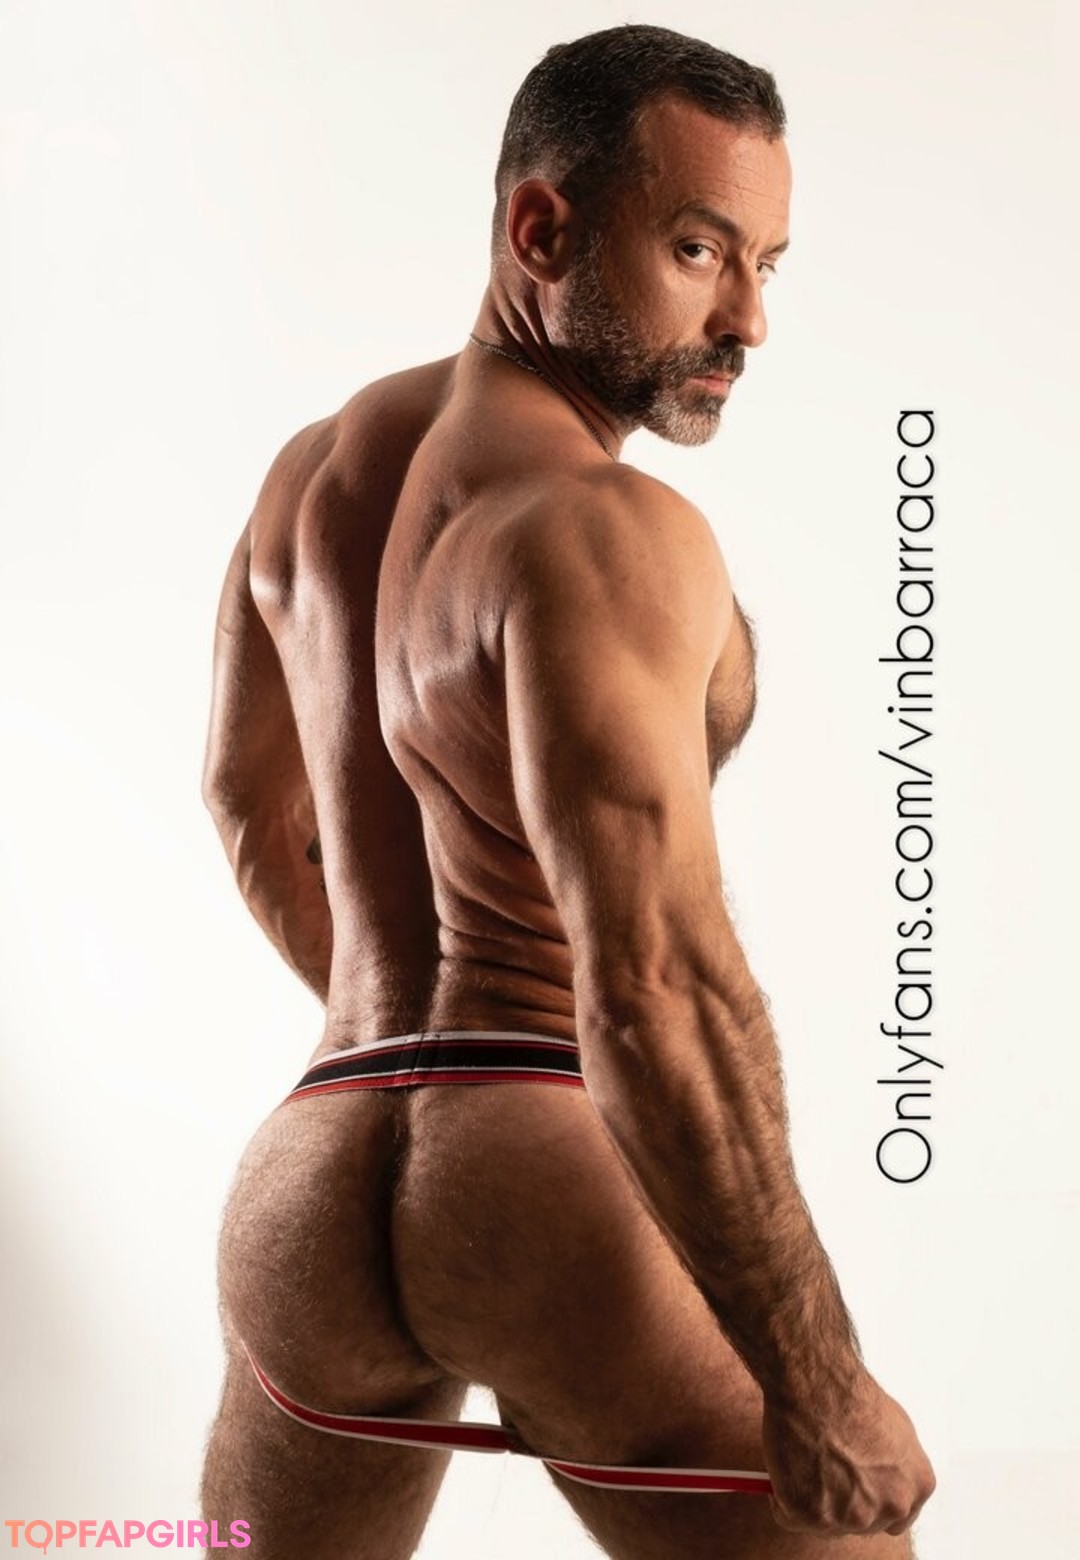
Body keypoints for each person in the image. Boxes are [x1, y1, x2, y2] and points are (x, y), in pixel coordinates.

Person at [199, 23, 935, 1559]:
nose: (746, 320)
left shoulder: (308, 480)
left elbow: (252, 806)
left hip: (311, 1175)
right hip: (546, 1166)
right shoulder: (606, 529)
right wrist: (819, 1379)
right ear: (541, 229)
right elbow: (657, 981)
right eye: (698, 250)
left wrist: (406, 1055)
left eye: (766, 267)